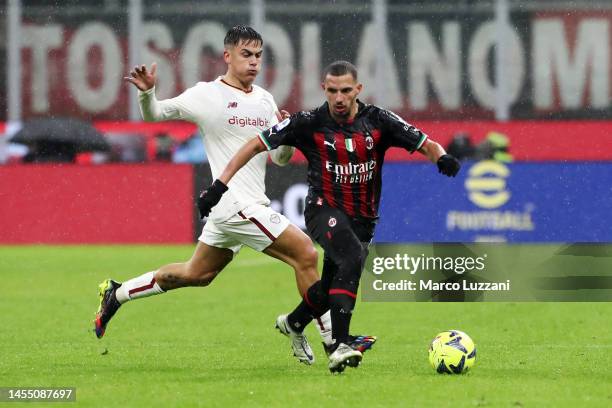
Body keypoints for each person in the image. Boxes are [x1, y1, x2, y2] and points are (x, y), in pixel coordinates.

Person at [197, 60, 461, 373]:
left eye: (346, 90)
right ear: (324, 89)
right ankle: (341, 343)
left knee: (331, 285)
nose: (338, 97)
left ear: (358, 90)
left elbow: (425, 142)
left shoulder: (379, 121)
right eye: (332, 90)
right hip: (323, 210)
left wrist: (441, 157)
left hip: (363, 218)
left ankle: (294, 322)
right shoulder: (308, 122)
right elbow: (254, 144)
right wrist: (219, 185)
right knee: (349, 258)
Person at [94, 25, 328, 365]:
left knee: (197, 274)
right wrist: (148, 93)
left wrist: (287, 137)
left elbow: (279, 160)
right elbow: (155, 114)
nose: (254, 62)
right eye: (246, 55)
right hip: (232, 203)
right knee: (306, 253)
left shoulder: (265, 101)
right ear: (227, 56)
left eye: (259, 56)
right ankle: (333, 341)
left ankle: (117, 293)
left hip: (248, 203)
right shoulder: (206, 95)